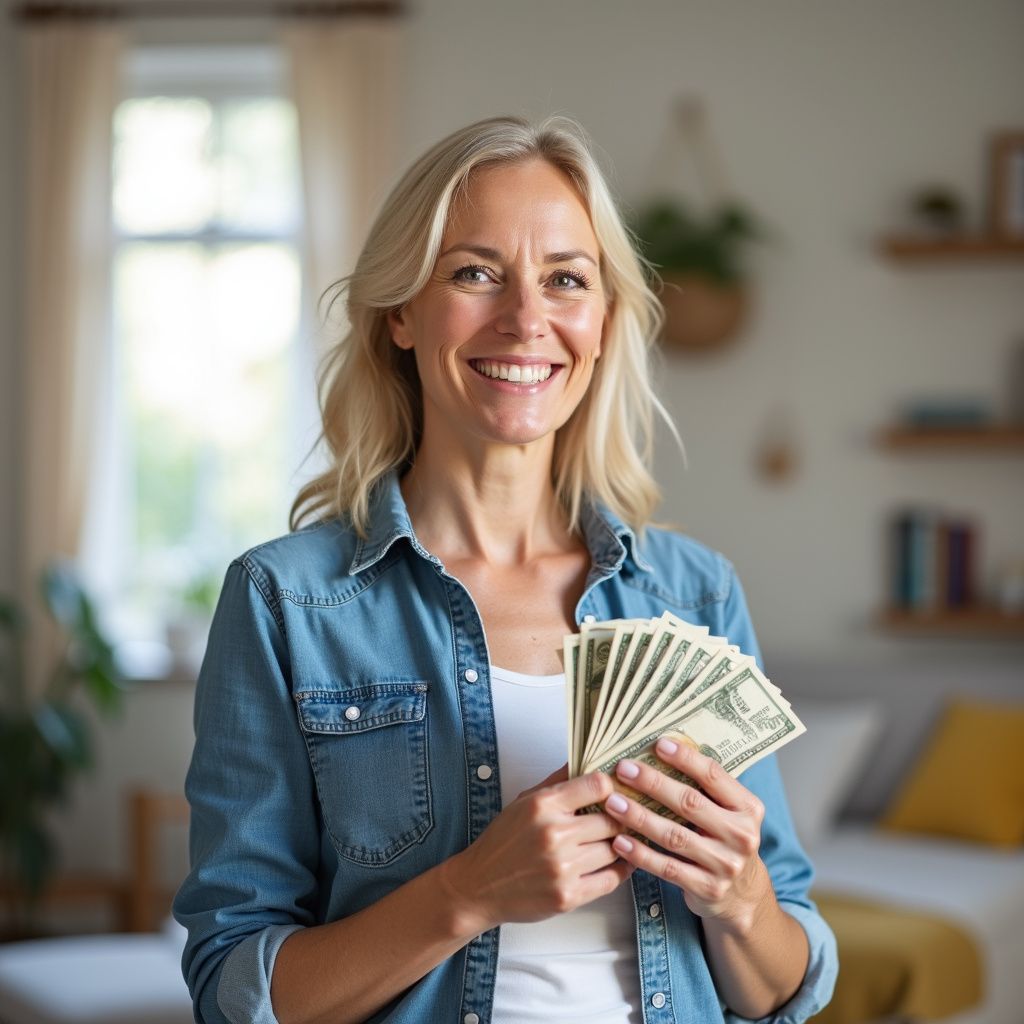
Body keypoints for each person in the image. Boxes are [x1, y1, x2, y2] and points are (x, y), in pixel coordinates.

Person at [174, 114, 837, 1024]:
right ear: (401, 313)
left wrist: (741, 899)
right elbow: (236, 989)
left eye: (567, 279)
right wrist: (468, 892)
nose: (527, 319)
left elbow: (779, 987)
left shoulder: (695, 594)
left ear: (602, 322)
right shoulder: (287, 602)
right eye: (475, 273)